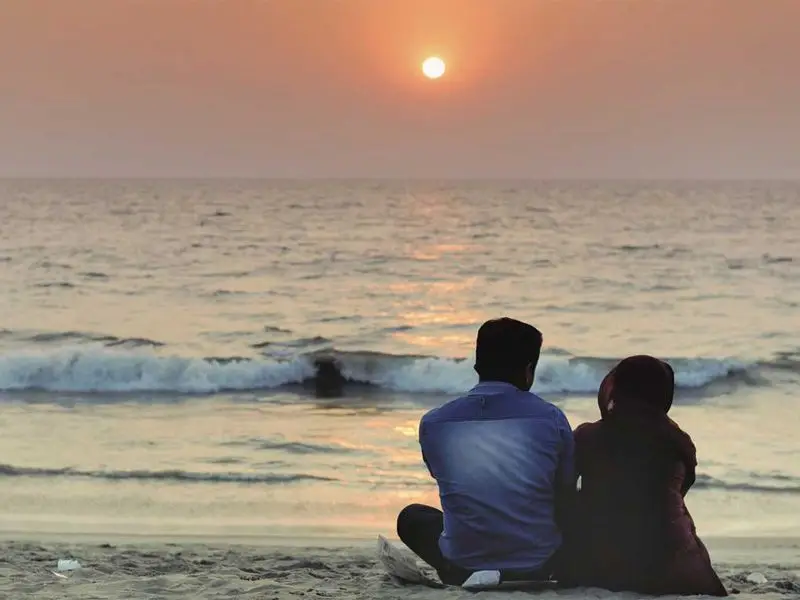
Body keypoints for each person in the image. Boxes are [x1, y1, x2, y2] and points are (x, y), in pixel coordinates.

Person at [396, 318, 576, 587]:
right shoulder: (551, 419)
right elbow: (565, 490)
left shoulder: (434, 423)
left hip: (462, 564)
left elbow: (447, 481)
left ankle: (466, 569)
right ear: (528, 370)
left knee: (411, 517)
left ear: (477, 366)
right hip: (539, 564)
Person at [570, 355, 727, 596]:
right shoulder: (678, 441)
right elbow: (677, 491)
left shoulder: (587, 436)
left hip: (602, 565)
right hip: (676, 567)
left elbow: (564, 487)